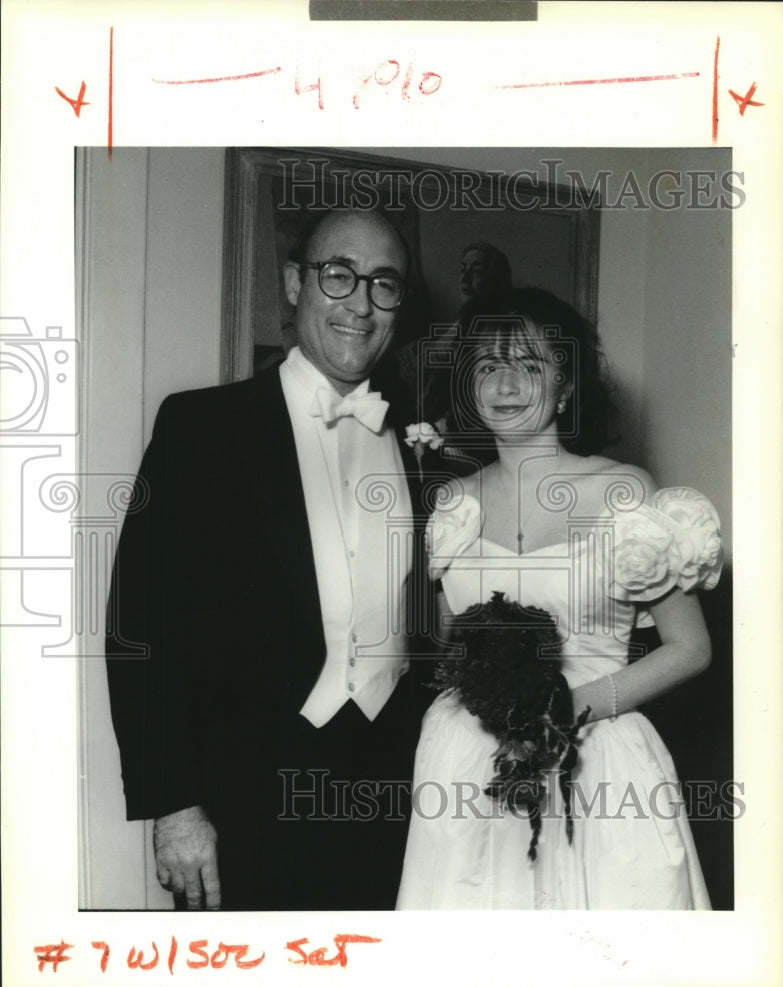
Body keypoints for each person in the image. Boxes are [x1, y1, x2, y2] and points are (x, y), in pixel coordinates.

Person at [106, 208, 437, 911]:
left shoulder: (424, 447)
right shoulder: (200, 427)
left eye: (384, 284)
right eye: (338, 275)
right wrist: (174, 806)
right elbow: (142, 624)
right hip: (242, 805)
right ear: (294, 283)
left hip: (397, 797)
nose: (360, 303)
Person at [396, 287, 723, 909]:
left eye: (530, 364)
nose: (507, 383)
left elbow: (691, 648)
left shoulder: (623, 489)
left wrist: (567, 707)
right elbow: (449, 645)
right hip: (467, 761)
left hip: (598, 758)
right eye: (488, 366)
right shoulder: (450, 502)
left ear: (565, 385)